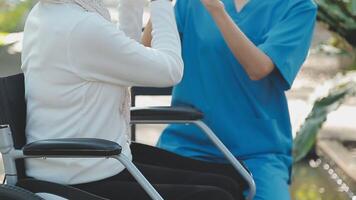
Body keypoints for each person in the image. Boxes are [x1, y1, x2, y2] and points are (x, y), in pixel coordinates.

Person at [21, 0, 241, 199]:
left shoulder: (47, 14)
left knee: (228, 181)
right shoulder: (81, 26)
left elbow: (124, 57)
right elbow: (170, 70)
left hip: (89, 162)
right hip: (83, 174)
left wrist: (132, 4)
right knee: (218, 194)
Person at [141, 0, 318, 199]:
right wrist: (160, 3)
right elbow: (146, 54)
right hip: (189, 143)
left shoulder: (297, 7)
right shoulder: (190, 3)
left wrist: (216, 10)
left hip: (259, 151)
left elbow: (258, 68)